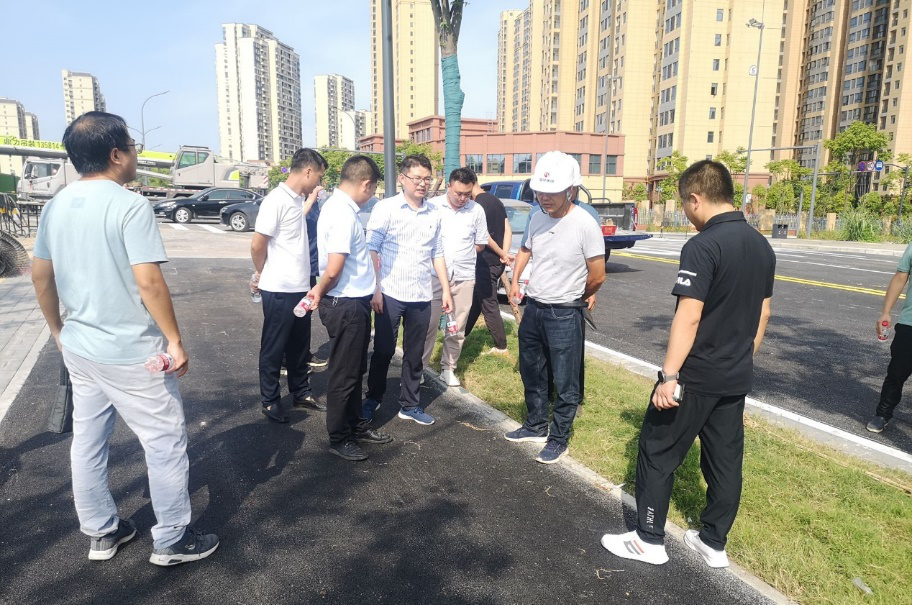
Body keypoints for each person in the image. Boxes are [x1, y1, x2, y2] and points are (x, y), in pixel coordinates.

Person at [31, 111, 218, 566]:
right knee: (164, 442)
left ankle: (102, 532)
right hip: (133, 353)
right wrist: (174, 340)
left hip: (80, 346)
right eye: (132, 147)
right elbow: (148, 282)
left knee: (88, 442)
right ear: (116, 154)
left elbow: (40, 276)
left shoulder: (56, 204)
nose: (135, 154)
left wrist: (57, 330)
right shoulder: (129, 205)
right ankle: (171, 539)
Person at [601, 160, 775, 569]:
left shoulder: (702, 245)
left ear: (695, 198)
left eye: (684, 204)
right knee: (724, 461)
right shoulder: (762, 246)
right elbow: (764, 314)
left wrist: (669, 375)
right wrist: (741, 358)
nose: (686, 212)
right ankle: (714, 542)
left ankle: (648, 538)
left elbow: (689, 316)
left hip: (695, 374)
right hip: (735, 374)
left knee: (657, 449)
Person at [506, 151, 606, 464]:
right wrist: (515, 280)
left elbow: (598, 274)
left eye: (551, 192)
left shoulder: (584, 224)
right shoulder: (537, 217)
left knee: (566, 380)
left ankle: (558, 438)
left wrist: (578, 295)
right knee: (532, 370)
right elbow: (526, 248)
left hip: (564, 312)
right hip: (534, 307)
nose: (544, 198)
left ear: (571, 190)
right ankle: (535, 425)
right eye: (540, 192)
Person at [308, 155, 393, 461]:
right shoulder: (342, 214)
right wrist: (318, 291)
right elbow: (334, 268)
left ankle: (355, 425)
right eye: (373, 189)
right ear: (366, 184)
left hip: (352, 303)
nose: (371, 196)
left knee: (355, 370)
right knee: (344, 375)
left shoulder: (340, 209)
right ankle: (340, 436)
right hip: (345, 304)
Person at [364, 155, 453, 426]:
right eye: (417, 178)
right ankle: (373, 398)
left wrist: (446, 290)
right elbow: (371, 249)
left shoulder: (435, 212)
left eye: (427, 178)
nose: (423, 184)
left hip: (421, 294)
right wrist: (375, 289)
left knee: (415, 355)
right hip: (390, 292)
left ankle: (410, 404)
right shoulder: (386, 208)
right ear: (402, 178)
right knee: (384, 350)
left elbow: (438, 252)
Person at [251, 148, 328, 423]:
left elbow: (294, 226)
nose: (318, 182)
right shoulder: (275, 200)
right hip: (279, 289)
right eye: (318, 176)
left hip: (300, 288)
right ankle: (270, 400)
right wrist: (262, 272)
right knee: (275, 347)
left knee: (299, 346)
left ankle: (301, 391)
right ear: (308, 171)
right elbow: (257, 244)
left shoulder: (296, 200)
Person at [422, 168, 490, 387]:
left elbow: (480, 243)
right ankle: (418, 368)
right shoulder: (432, 207)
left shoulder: (476, 210)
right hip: (433, 274)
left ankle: (448, 368)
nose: (462, 198)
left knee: (457, 325)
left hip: (463, 274)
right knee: (427, 324)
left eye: (467, 194)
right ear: (448, 186)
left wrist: (462, 253)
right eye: (458, 193)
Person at [464, 179, 514, 356]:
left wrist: (502, 254)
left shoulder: (477, 205)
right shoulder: (496, 200)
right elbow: (508, 230)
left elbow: (484, 236)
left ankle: (501, 346)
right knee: (477, 301)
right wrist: (504, 253)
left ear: (470, 184)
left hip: (485, 262)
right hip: (497, 263)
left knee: (488, 303)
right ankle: (461, 335)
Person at [867, 243, 912, 433]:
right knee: (896, 373)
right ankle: (883, 414)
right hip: (910, 323)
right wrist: (886, 312)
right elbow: (901, 277)